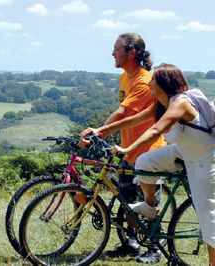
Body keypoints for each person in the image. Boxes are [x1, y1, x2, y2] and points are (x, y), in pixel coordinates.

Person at [103, 63, 215, 265]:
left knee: (209, 221)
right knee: (144, 161)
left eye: (153, 79)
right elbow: (132, 120)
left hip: (203, 161)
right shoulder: (161, 103)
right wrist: (101, 130)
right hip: (183, 152)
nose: (149, 82)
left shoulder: (180, 103)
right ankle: (149, 205)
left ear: (164, 83)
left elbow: (155, 131)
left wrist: (127, 149)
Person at [79, 32, 166, 264]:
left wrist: (99, 131)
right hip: (128, 149)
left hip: (148, 151)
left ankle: (156, 249)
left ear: (132, 52)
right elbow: (124, 115)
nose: (112, 53)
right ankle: (131, 243)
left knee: (148, 204)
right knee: (128, 201)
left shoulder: (143, 80)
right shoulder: (126, 77)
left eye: (116, 49)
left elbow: (123, 113)